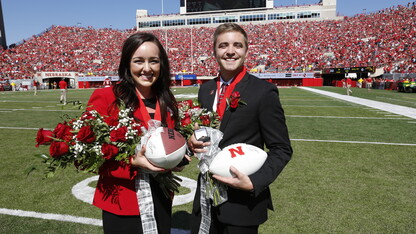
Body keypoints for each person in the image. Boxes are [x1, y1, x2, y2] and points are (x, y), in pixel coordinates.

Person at [188, 23, 293, 234]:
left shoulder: (264, 92)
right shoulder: (206, 89)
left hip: (242, 204)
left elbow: (282, 148)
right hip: (205, 198)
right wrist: (192, 142)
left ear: (246, 50)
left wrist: (254, 182)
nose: (230, 51)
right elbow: (205, 134)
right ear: (214, 51)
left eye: (237, 45)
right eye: (223, 45)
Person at [86, 32, 184, 234]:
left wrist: (180, 157)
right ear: (127, 64)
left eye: (154, 61)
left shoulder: (167, 101)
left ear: (161, 65)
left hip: (161, 199)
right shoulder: (106, 97)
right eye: (139, 61)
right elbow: (88, 155)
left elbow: (171, 142)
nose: (147, 69)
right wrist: (131, 162)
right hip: (122, 201)